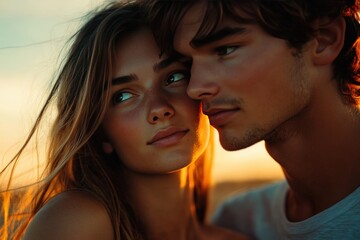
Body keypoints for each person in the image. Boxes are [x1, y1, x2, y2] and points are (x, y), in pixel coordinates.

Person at [0, 1, 249, 240]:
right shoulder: (75, 222)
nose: (160, 109)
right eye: (123, 96)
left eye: (173, 77)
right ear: (100, 133)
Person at [142, 0, 360, 239]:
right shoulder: (236, 224)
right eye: (188, 65)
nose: (195, 88)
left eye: (224, 50)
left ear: (323, 40)